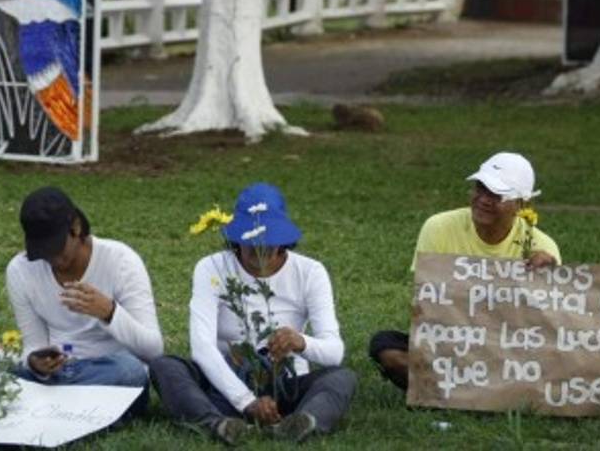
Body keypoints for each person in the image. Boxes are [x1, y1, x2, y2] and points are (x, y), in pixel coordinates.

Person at [151, 183, 356, 444]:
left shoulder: (311, 272)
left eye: (268, 244)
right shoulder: (212, 267)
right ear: (237, 239)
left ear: (282, 242)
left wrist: (301, 341)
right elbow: (201, 347)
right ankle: (218, 424)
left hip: (286, 380)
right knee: (165, 367)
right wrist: (246, 401)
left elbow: (334, 351)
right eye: (251, 244)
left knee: (342, 378)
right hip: (225, 377)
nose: (260, 253)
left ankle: (303, 422)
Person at [369, 152, 561, 391]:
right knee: (385, 346)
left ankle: (455, 389)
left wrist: (547, 277)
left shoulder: (543, 248)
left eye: (496, 194)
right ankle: (469, 390)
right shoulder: (438, 227)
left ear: (522, 204)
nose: (483, 199)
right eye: (480, 188)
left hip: (510, 351)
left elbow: (543, 326)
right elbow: (428, 304)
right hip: (451, 342)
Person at [5, 186, 162, 418]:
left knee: (132, 372)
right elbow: (34, 345)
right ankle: (66, 406)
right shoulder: (20, 270)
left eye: (57, 249)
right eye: (43, 252)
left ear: (76, 227)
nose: (53, 260)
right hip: (59, 371)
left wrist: (109, 312)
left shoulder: (120, 261)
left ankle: (49, 405)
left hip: (110, 370)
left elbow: (153, 350)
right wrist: (36, 363)